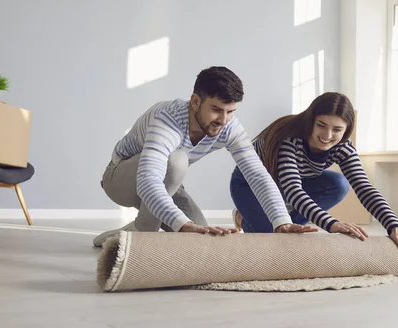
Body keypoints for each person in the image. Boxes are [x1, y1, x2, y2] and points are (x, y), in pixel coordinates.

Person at [93, 66, 317, 247]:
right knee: (177, 160)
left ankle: (131, 234)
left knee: (204, 238)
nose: (223, 119)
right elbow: (148, 180)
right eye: (217, 110)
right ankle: (143, 237)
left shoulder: (229, 126)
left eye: (230, 111)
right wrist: (181, 224)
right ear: (195, 102)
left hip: (169, 181)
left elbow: (257, 175)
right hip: (120, 178)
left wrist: (282, 223)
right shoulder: (166, 120)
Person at [230, 92, 398, 265]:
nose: (327, 135)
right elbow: (293, 190)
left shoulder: (344, 148)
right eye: (321, 125)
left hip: (294, 181)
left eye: (337, 130)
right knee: (273, 240)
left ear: (346, 130)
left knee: (338, 184)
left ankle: (276, 220)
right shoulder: (290, 139)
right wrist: (332, 224)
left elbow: (365, 188)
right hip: (250, 185)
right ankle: (244, 216)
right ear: (311, 121)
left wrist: (395, 227)